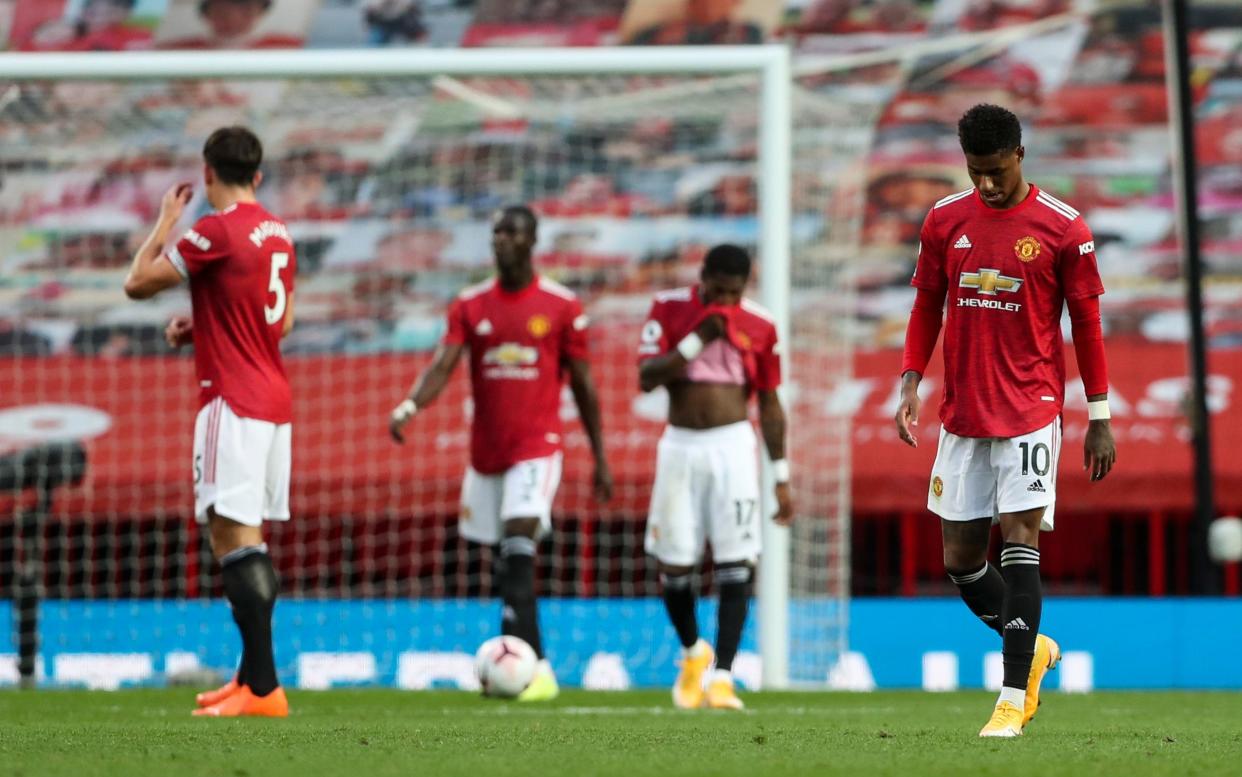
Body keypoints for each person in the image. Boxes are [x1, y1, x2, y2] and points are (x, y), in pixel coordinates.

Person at [894, 103, 1116, 737]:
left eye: (995, 171)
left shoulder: (1063, 229)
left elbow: (1089, 325)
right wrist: (910, 379)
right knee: (961, 562)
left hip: (1030, 410)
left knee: (1020, 540)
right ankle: (1036, 648)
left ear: (1020, 154)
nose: (986, 185)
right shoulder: (944, 219)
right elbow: (925, 304)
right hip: (962, 413)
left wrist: (1099, 415)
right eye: (974, 172)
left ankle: (1012, 698)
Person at [388, 205, 613, 702]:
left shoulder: (560, 305)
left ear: (532, 241)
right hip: (486, 453)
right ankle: (523, 661)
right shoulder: (470, 304)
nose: (501, 240)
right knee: (503, 560)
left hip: (536, 448)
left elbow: (584, 385)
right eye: (496, 232)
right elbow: (443, 365)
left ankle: (539, 672)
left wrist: (599, 457)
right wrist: (409, 405)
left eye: (511, 232)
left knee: (517, 549)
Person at [123, 126, 296, 718]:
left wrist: (165, 223)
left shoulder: (213, 230)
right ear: (259, 175)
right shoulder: (278, 233)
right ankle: (250, 679)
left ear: (206, 174)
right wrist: (201, 326)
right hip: (274, 401)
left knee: (233, 541)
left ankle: (265, 690)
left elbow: (137, 284)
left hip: (232, 399)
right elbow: (284, 322)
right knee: (250, 539)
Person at [637, 244, 794, 711]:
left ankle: (723, 677)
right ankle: (692, 654)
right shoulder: (669, 308)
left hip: (733, 449)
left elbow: (769, 402)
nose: (724, 301)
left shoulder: (762, 325)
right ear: (701, 276)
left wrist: (781, 475)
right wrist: (697, 338)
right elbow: (646, 376)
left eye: (733, 292)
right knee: (675, 565)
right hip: (680, 446)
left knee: (736, 561)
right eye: (716, 290)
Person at [160, 0, 302, 49]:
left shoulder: (286, 47)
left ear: (260, 11)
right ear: (206, 12)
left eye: (245, 10)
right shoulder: (179, 51)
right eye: (222, 11)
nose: (233, 19)